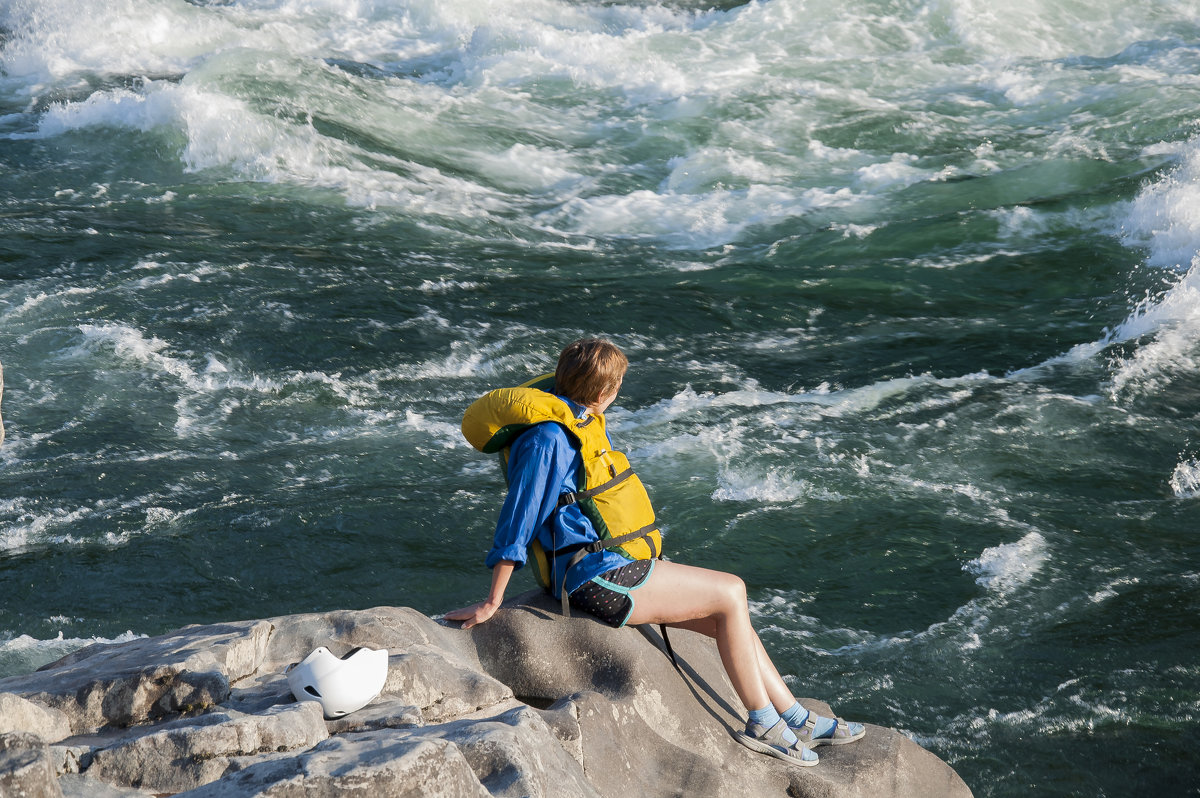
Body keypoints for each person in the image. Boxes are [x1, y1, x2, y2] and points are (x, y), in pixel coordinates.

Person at [446, 338, 865, 766]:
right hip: (591, 575)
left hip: (613, 561)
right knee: (731, 591)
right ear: (603, 393)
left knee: (731, 616)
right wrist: (494, 599)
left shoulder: (575, 415)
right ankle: (761, 722)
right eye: (618, 384)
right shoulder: (548, 437)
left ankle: (795, 717)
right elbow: (520, 516)